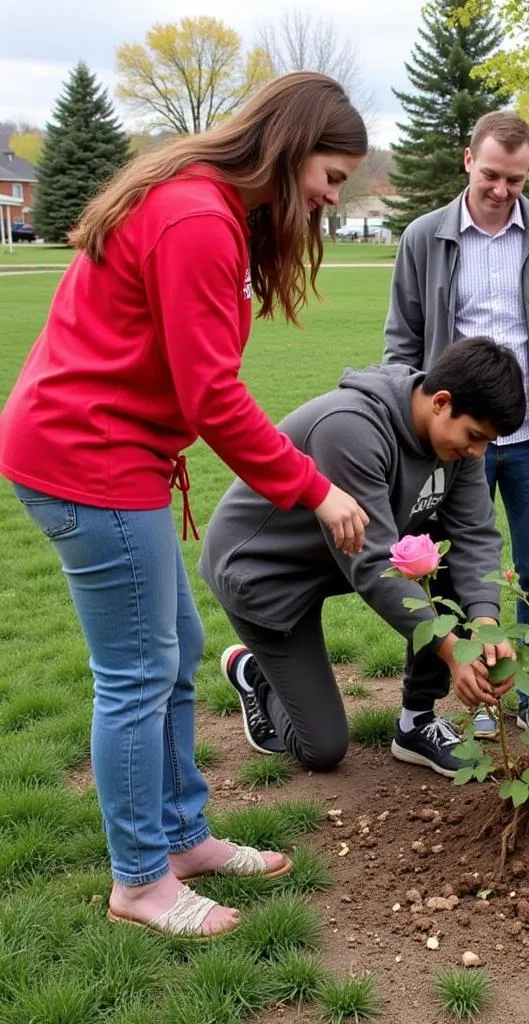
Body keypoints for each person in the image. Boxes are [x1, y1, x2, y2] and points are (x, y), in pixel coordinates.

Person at [0, 72, 372, 939]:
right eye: (331, 174)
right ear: (289, 147)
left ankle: (180, 837)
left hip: (108, 453)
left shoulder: (208, 208)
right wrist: (316, 490)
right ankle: (140, 879)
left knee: (176, 651)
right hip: (87, 459)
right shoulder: (198, 219)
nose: (330, 195)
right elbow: (213, 398)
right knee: (133, 676)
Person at [200, 337, 523, 779]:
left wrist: (485, 620)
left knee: (438, 555)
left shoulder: (456, 448)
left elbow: (474, 534)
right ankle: (252, 672)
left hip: (333, 560)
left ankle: (417, 722)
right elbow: (373, 564)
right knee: (323, 747)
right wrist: (452, 651)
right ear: (441, 402)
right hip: (264, 573)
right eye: (474, 436)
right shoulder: (350, 429)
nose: (478, 453)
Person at [384, 111, 529, 740]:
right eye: (490, 175)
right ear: (467, 161)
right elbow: (401, 342)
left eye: (515, 179)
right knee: (447, 572)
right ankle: (471, 695)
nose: (502, 189)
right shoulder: (424, 237)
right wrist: (413, 425)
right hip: (453, 440)